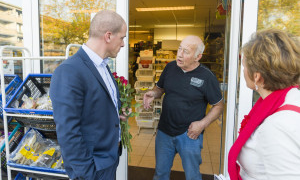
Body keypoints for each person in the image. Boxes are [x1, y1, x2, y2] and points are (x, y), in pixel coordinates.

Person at [50, 10, 128, 180]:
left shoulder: (103, 66)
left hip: (108, 160)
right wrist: (86, 174)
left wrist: (116, 114)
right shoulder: (69, 71)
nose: (123, 44)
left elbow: (95, 106)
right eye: (122, 37)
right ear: (108, 36)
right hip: (92, 168)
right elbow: (68, 131)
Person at [144, 35, 224, 180]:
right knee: (160, 174)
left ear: (197, 56)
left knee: (192, 176)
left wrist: (202, 124)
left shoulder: (207, 77)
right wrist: (153, 93)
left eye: (186, 51)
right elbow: (160, 88)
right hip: (164, 132)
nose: (179, 54)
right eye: (179, 49)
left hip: (189, 134)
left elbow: (218, 106)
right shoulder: (170, 67)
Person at [228, 29, 300, 180]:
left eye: (244, 66)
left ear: (257, 77)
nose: (243, 71)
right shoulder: (289, 99)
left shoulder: (278, 125)